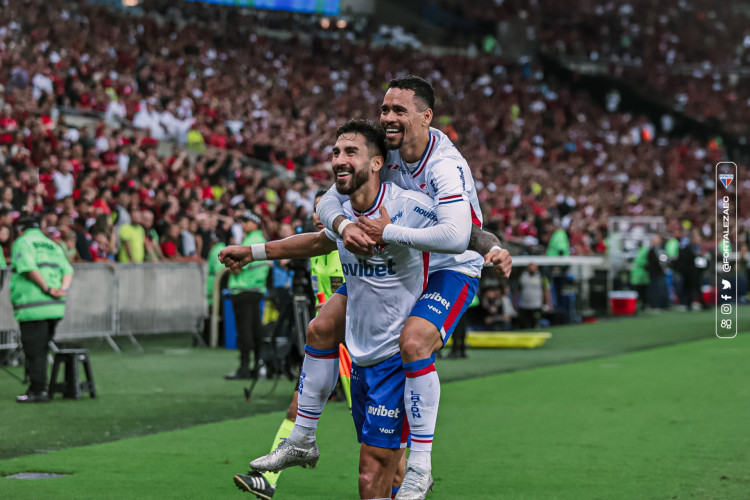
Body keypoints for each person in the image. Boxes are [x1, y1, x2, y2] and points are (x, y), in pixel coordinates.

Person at [307, 76, 513, 498]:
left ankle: (421, 466)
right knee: (322, 325)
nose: (388, 118)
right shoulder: (387, 153)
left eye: (399, 111)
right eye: (385, 110)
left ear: (426, 116)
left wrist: (394, 231)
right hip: (399, 266)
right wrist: (344, 225)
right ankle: (299, 439)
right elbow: (326, 202)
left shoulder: (444, 165)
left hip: (448, 268)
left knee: (415, 342)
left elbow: (460, 236)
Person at [224, 120, 439, 499]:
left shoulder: (407, 207)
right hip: (360, 353)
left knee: (370, 477)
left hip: (398, 359)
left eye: (350, 152)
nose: (339, 159)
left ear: (376, 163)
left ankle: (413, 470)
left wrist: (491, 249)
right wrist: (254, 253)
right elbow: (312, 243)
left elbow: (459, 233)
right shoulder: (340, 212)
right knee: (385, 470)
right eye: (336, 152)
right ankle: (304, 440)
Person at [232, 191, 355, 500]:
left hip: (353, 347)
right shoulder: (316, 247)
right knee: (296, 407)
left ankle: (408, 475)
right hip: (326, 345)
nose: (316, 216)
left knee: (370, 427)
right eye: (315, 211)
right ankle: (268, 481)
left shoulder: (348, 246)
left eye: (322, 210)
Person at [9, 214, 74, 403]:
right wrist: (62, 289)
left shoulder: (23, 243)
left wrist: (46, 289)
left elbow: (28, 268)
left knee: (34, 351)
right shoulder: (52, 244)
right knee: (42, 349)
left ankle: (38, 390)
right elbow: (68, 270)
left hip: (33, 306)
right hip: (55, 307)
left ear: (21, 229)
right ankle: (38, 386)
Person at [225, 210, 270, 380]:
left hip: (244, 289)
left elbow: (236, 267)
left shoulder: (251, 241)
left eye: (246, 221)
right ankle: (258, 366)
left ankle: (245, 367)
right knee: (255, 330)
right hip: (255, 290)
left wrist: (231, 265)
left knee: (245, 332)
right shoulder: (259, 240)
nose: (242, 224)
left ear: (255, 223)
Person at [515, 262, 552, 329]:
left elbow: (546, 291)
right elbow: (517, 291)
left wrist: (548, 304)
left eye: (533, 266)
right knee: (524, 325)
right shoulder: (522, 277)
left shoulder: (542, 277)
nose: (532, 268)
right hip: (524, 305)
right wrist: (514, 303)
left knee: (535, 324)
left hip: (536, 305)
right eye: (530, 266)